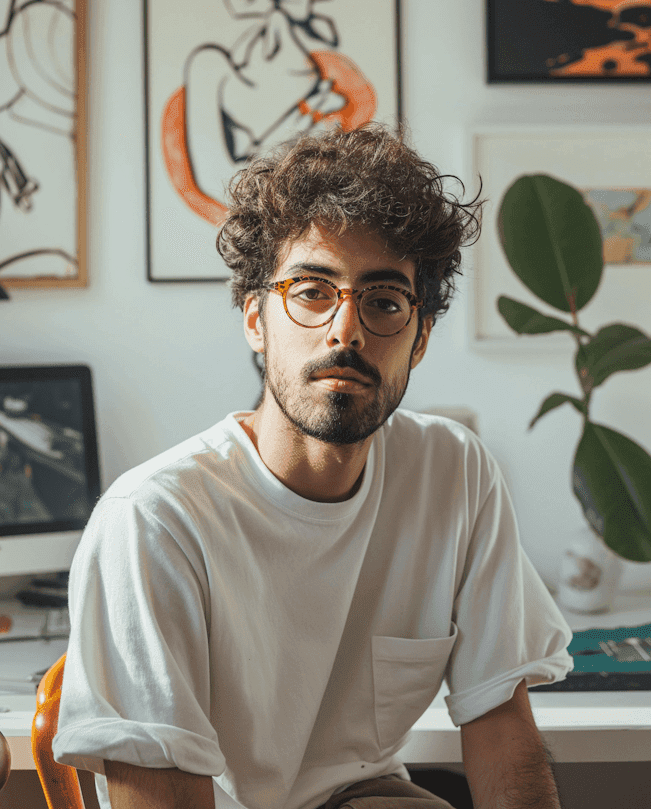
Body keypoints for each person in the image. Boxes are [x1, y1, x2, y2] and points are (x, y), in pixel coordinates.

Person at [53, 124, 573, 809]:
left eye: (384, 301)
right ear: (255, 321)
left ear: (417, 342)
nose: (345, 330)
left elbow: (499, 720)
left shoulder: (453, 471)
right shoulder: (154, 520)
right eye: (312, 290)